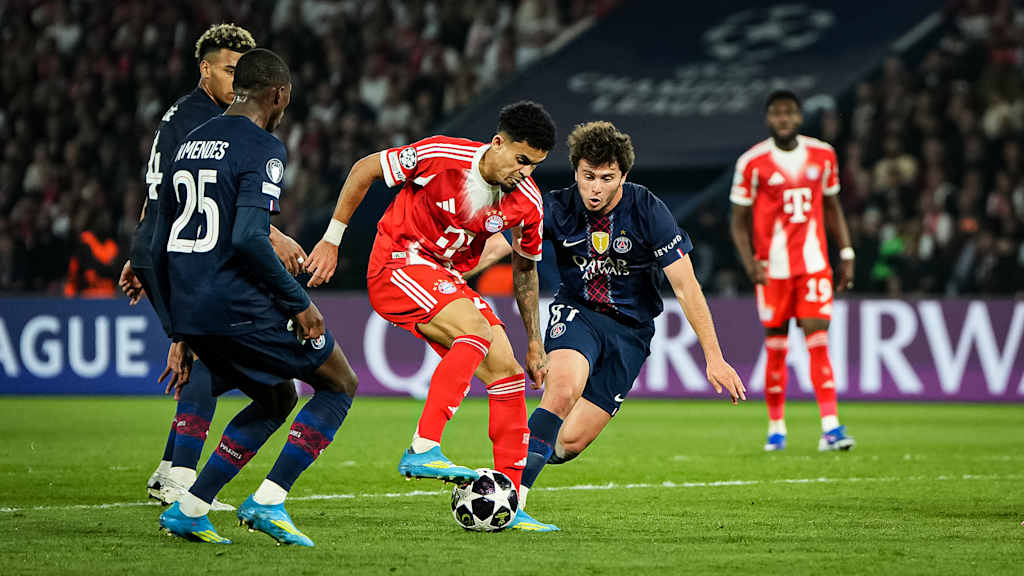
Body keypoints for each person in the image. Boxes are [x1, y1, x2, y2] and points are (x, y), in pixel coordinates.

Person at [468, 121, 746, 531]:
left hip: (631, 332)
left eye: (606, 178)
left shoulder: (647, 209)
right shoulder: (556, 206)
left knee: (570, 442)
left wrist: (714, 357)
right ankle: (512, 500)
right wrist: (444, 272)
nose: (594, 188)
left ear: (623, 177)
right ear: (575, 171)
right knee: (562, 390)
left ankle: (521, 457)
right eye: (587, 176)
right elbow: (499, 244)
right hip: (577, 312)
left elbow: (685, 286)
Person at [303, 101, 555, 527]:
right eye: (521, 159)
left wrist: (534, 341)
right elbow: (365, 168)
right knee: (473, 330)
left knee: (507, 372)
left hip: (444, 278)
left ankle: (511, 506)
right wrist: (332, 239)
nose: (525, 172)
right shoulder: (442, 155)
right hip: (396, 263)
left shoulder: (527, 203)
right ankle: (423, 447)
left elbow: (526, 269)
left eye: (535, 165)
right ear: (498, 144)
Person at [152, 48, 358, 546]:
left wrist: (178, 329)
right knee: (338, 382)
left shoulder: (190, 143)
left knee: (277, 395)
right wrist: (298, 303)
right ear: (279, 95)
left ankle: (191, 507)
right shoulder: (262, 146)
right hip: (236, 304)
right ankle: (269, 501)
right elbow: (248, 236)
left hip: (191, 306)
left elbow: (157, 244)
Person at [116, 24, 306, 510]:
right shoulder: (200, 119)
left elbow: (164, 191)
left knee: (205, 354)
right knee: (204, 356)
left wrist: (141, 246)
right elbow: (192, 201)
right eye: (228, 69)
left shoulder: (189, 115)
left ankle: (169, 470)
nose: (236, 78)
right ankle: (180, 478)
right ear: (205, 69)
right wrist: (276, 235)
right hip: (180, 251)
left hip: (164, 245)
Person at [729, 90, 856, 452]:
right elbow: (737, 220)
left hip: (814, 265)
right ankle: (776, 429)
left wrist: (846, 252)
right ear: (769, 118)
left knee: (818, 343)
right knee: (777, 349)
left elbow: (832, 207)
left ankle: (831, 427)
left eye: (789, 113)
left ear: (799, 117)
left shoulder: (823, 154)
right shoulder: (752, 162)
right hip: (773, 270)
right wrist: (749, 260)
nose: (783, 119)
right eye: (776, 113)